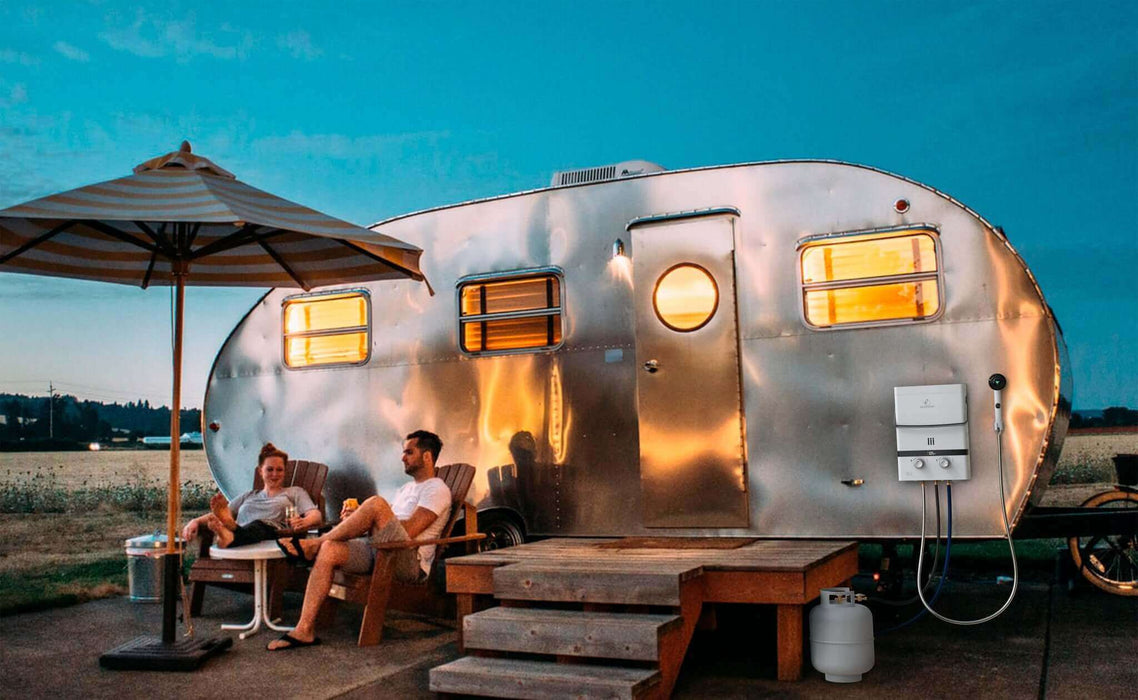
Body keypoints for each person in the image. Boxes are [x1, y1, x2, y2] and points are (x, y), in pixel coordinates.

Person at [267, 429, 451, 650]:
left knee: (375, 503)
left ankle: (312, 544)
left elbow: (409, 531)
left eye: (409, 452)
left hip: (407, 559)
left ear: (427, 456)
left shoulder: (437, 489)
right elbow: (386, 524)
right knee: (330, 548)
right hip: (381, 549)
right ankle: (304, 629)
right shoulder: (406, 489)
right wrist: (356, 519)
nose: (403, 457)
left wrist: (371, 516)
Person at [181, 442, 322, 548]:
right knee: (226, 519)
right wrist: (196, 521)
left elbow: (315, 514)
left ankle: (230, 532)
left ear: (285, 472)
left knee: (259, 525)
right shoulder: (249, 496)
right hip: (242, 541)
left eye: (279, 470)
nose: (275, 474)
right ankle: (230, 532)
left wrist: (304, 522)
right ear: (261, 471)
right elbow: (221, 513)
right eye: (270, 469)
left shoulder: (294, 492)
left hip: (270, 537)